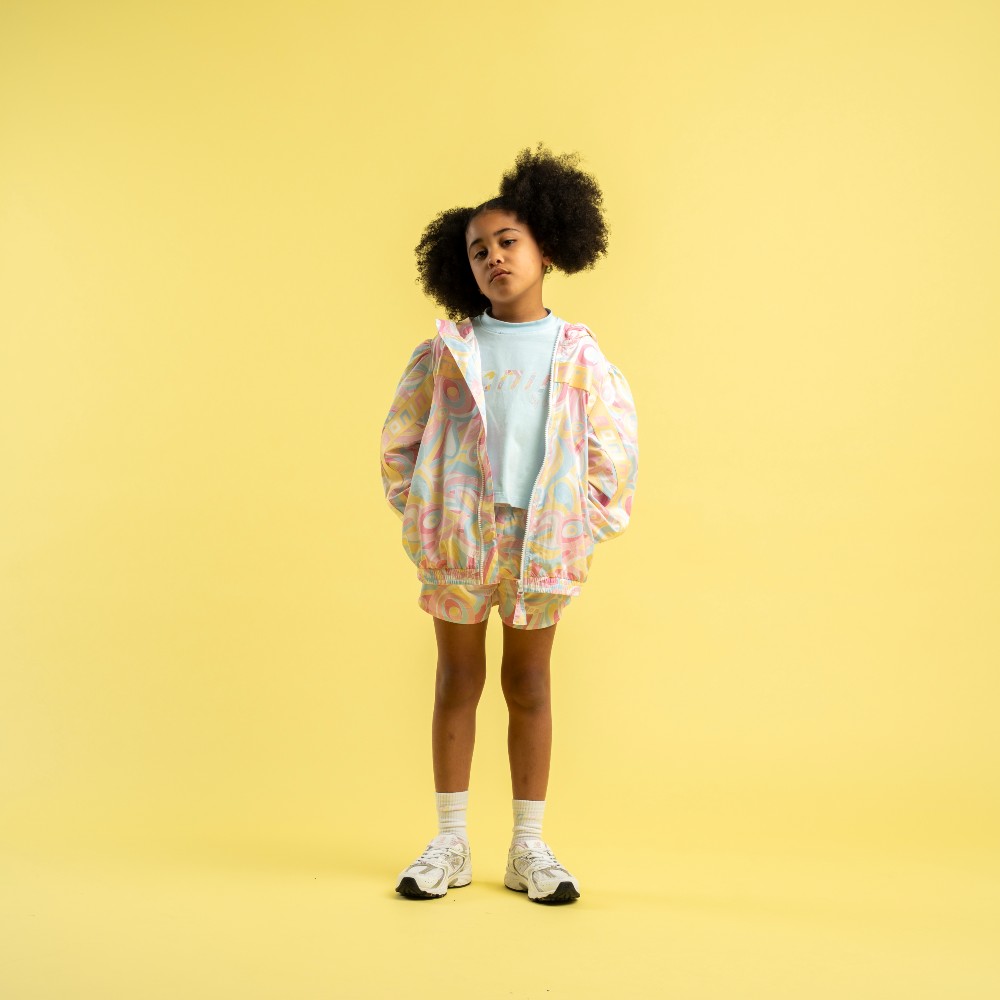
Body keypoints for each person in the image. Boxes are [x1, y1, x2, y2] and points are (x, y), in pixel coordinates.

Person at [380, 144, 638, 904]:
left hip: (542, 541)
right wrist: (429, 514)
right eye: (478, 250)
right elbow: (400, 440)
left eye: (508, 242)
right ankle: (451, 843)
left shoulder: (578, 354)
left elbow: (612, 451)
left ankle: (529, 847)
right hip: (459, 539)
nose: (493, 257)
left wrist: (579, 526)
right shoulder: (447, 349)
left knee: (529, 684)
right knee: (456, 679)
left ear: (547, 247)